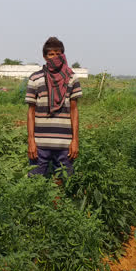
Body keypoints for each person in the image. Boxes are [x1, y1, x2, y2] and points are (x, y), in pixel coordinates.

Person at [26, 37, 81, 180]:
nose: (55, 57)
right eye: (51, 54)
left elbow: (74, 111)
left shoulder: (71, 78)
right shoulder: (35, 78)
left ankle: (58, 204)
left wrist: (75, 140)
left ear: (63, 55)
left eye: (58, 54)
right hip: (40, 144)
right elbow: (31, 111)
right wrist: (31, 141)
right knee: (35, 183)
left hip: (65, 144)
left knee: (62, 183)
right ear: (44, 56)